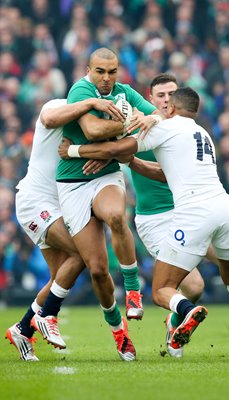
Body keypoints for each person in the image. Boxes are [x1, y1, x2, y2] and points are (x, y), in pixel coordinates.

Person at [59, 87, 229, 361]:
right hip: (225, 209)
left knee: (160, 290)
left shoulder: (167, 128)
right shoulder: (202, 133)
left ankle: (186, 310)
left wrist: (74, 150)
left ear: (172, 108)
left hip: (194, 214)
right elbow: (163, 172)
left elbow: (118, 148)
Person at [5, 97, 137, 362]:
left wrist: (107, 151)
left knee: (62, 277)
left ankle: (22, 328)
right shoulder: (59, 105)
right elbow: (49, 119)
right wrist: (90, 103)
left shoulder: (97, 126)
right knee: (83, 256)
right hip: (37, 202)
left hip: (65, 204)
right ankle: (47, 316)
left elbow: (123, 153)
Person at [55, 47, 163, 324]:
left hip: (106, 174)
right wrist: (130, 123)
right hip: (73, 181)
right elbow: (92, 130)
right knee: (98, 270)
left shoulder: (125, 91)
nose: (106, 78)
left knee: (117, 215)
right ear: (88, 70)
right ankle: (118, 328)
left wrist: (150, 118)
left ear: (118, 71)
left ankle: (133, 289)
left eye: (112, 72)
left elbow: (162, 117)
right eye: (100, 71)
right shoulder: (80, 91)